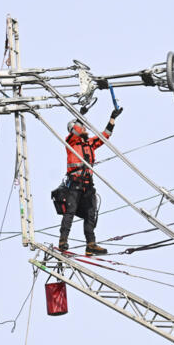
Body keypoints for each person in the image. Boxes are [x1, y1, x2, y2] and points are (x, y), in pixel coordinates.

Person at [58, 108, 122, 255]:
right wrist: (80, 116)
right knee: (70, 212)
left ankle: (91, 244)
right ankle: (63, 240)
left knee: (90, 214)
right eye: (81, 127)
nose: (84, 129)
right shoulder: (71, 142)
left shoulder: (89, 144)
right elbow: (76, 130)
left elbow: (105, 136)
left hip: (87, 185)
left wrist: (112, 119)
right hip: (74, 184)